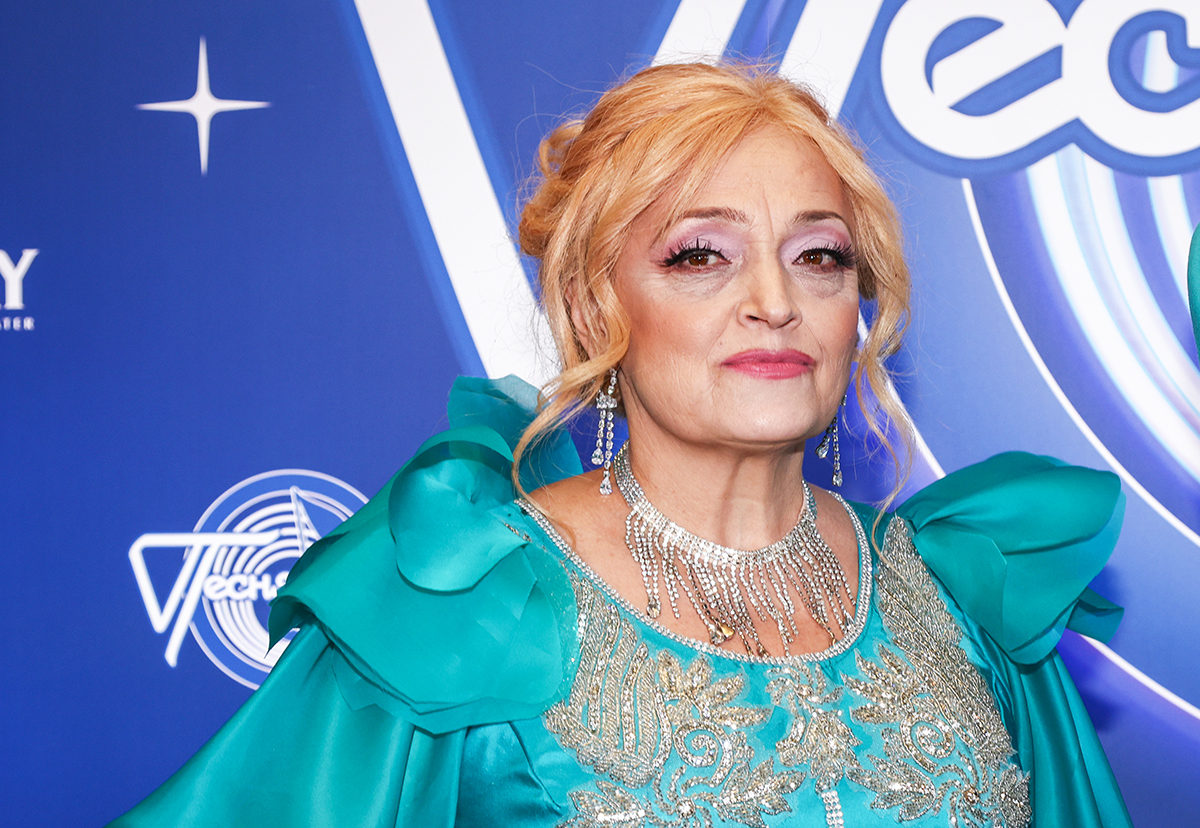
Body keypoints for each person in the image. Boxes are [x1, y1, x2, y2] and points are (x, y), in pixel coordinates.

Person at [109, 62, 1131, 828]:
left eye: (819, 256)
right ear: (598, 304)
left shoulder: (963, 596)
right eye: (700, 255)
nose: (774, 301)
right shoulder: (462, 602)